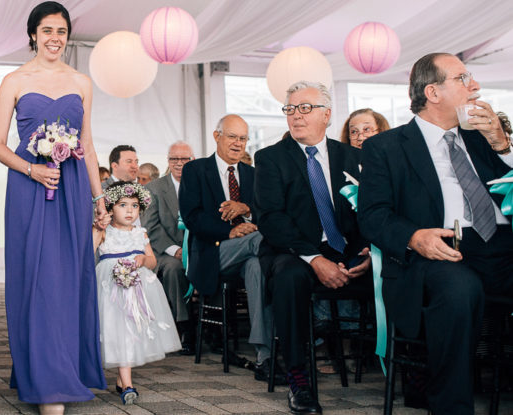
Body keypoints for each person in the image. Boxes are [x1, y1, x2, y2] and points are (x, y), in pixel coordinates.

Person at [358, 53, 513, 415]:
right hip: (439, 248)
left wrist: (503, 145)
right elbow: (373, 215)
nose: (475, 86)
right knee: (460, 289)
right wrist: (414, 237)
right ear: (433, 92)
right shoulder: (386, 147)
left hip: (502, 246)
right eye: (463, 79)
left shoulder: (483, 137)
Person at [0, 1, 107, 415]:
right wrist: (32, 169)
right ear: (33, 34)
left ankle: (60, 371)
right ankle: (45, 381)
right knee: (37, 280)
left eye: (61, 31)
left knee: (69, 279)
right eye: (46, 30)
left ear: (67, 36)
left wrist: (99, 199)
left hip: (71, 188)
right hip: (29, 187)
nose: (54, 38)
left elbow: (88, 146)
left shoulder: (81, 82)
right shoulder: (14, 80)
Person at [254, 81, 369, 415]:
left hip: (346, 249)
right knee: (290, 278)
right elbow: (271, 218)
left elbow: (371, 210)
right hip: (292, 250)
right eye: (290, 109)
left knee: (399, 264)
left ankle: (413, 370)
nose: (296, 116)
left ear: (327, 115)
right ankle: (298, 375)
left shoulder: (355, 157)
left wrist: (366, 251)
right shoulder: (270, 158)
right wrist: (315, 258)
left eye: (305, 108)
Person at [179, 115, 281, 384]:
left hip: (249, 253)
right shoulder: (196, 170)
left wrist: (247, 209)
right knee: (261, 241)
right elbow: (192, 217)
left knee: (257, 265)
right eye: (233, 136)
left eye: (243, 138)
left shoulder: (253, 174)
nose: (238, 143)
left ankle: (264, 357)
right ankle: (292, 256)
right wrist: (230, 231)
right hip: (213, 253)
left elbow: (268, 212)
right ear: (217, 136)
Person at [93, 181, 180, 405]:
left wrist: (142, 259)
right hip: (110, 288)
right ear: (111, 208)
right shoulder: (105, 232)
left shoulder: (140, 233)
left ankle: (123, 380)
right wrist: (97, 229)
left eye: (134, 205)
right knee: (117, 331)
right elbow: (88, 251)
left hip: (138, 289)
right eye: (123, 205)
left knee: (130, 332)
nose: (130, 210)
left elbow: (152, 261)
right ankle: (127, 384)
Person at [142, 141, 194, 353]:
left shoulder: (201, 184)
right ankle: (184, 326)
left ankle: (215, 327)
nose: (179, 163)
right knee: (175, 268)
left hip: (197, 248)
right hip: (166, 251)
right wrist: (176, 250)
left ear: (193, 161)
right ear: (168, 161)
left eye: (184, 159)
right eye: (174, 159)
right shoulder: (153, 188)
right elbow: (151, 227)